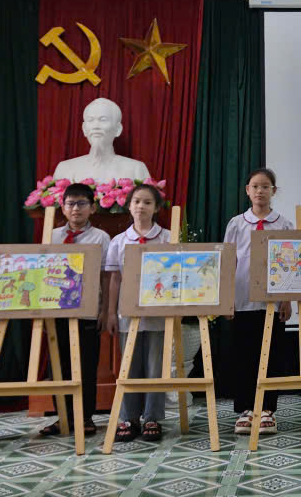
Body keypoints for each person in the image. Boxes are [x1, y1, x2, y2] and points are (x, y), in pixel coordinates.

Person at [223, 168, 295, 435]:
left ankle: (267, 410)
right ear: (247, 190)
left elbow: (290, 266)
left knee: (272, 355)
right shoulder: (236, 224)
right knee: (244, 356)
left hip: (273, 303)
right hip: (242, 300)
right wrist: (227, 299)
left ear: (273, 191)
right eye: (255, 186)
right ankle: (245, 410)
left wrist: (287, 300)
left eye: (265, 186)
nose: (260, 191)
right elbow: (228, 262)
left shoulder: (284, 224)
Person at [39, 183, 111, 438]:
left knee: (86, 365)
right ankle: (63, 416)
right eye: (70, 204)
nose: (76, 209)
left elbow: (105, 276)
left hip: (87, 311)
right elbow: (42, 271)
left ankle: (85, 416)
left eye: (82, 204)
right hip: (56, 310)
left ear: (92, 208)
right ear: (62, 207)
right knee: (59, 366)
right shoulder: (52, 235)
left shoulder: (100, 237)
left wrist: (104, 310)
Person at [105, 184, 170, 442]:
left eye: (147, 202)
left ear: (156, 208)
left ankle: (152, 417)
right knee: (129, 366)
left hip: (158, 313)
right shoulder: (119, 241)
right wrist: (111, 312)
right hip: (127, 314)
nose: (141, 206)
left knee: (156, 366)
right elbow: (115, 280)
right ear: (129, 206)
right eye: (136, 202)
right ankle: (128, 417)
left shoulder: (167, 238)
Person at [52, 98, 151, 183]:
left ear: (118, 129)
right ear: (84, 129)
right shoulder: (64, 169)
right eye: (91, 120)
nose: (96, 126)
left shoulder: (136, 169)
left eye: (103, 120)